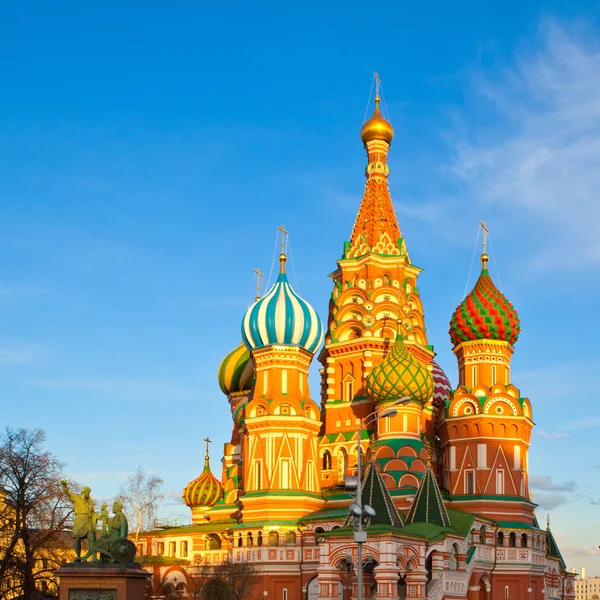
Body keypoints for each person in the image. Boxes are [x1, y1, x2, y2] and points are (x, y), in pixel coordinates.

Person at [60, 480, 97, 561]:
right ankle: (78, 556)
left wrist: (99, 517)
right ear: (84, 492)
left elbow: (93, 512)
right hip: (79, 520)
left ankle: (94, 557)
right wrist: (64, 485)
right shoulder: (76, 498)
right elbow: (67, 493)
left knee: (92, 538)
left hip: (88, 520)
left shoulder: (90, 501)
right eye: (88, 492)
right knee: (78, 539)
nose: (89, 494)